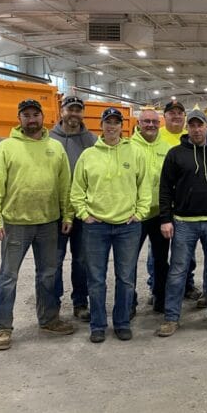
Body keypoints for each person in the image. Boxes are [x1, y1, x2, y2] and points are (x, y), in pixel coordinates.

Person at [0, 98, 75, 351]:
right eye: (26, 115)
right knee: (8, 277)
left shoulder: (55, 148)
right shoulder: (6, 148)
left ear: (43, 117)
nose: (32, 119)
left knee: (47, 274)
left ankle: (48, 319)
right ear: (19, 118)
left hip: (48, 223)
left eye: (36, 114)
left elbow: (64, 186)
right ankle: (3, 327)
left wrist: (67, 215)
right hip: (16, 223)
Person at [155, 109, 207, 337]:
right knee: (178, 271)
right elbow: (165, 189)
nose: (196, 129)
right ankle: (171, 317)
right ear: (187, 128)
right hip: (183, 222)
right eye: (192, 125)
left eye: (200, 125)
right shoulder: (175, 154)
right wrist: (165, 219)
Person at [71, 107, 150, 343]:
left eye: (117, 122)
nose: (112, 126)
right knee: (96, 278)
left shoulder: (135, 153)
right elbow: (77, 190)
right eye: (108, 122)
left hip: (128, 226)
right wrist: (84, 215)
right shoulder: (88, 155)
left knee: (125, 278)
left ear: (121, 126)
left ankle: (122, 322)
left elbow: (143, 187)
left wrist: (140, 213)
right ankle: (98, 325)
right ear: (101, 126)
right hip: (97, 227)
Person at [49, 95, 97, 322]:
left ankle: (80, 302)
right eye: (70, 109)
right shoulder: (48, 140)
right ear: (62, 111)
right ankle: (53, 305)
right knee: (54, 261)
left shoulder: (92, 141)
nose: (74, 114)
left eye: (78, 110)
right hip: (54, 213)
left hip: (83, 214)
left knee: (81, 261)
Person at [154, 100, 200, 300]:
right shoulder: (157, 137)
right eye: (171, 113)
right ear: (164, 117)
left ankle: (187, 285)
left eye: (180, 113)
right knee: (158, 254)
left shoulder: (190, 138)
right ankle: (157, 288)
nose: (176, 116)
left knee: (185, 251)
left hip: (185, 205)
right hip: (160, 206)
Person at [130, 107, 170, 313]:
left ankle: (160, 297)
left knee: (161, 260)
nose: (151, 125)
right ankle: (130, 301)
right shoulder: (128, 146)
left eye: (155, 122)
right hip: (135, 216)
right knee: (129, 262)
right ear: (138, 124)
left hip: (159, 214)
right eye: (146, 121)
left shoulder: (166, 147)